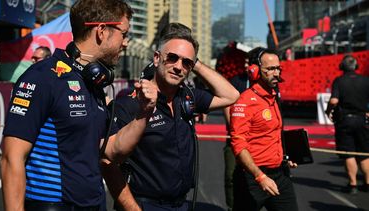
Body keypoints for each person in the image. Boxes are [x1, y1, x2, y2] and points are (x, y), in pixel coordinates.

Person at [1, 0, 158, 210]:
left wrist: (144, 114)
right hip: (53, 205)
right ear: (102, 31)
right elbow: (12, 158)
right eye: (124, 33)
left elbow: (111, 150)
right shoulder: (42, 77)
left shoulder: (93, 81)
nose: (126, 42)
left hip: (93, 203)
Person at [104, 22, 240, 211]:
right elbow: (108, 163)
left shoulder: (187, 97)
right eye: (173, 58)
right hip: (144, 204)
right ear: (157, 58)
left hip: (181, 203)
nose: (178, 67)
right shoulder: (129, 105)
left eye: (186, 63)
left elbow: (231, 96)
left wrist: (195, 62)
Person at [229, 47, 298, 211]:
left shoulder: (274, 97)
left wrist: (285, 156)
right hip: (252, 178)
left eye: (278, 68)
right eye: (270, 69)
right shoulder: (244, 101)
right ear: (255, 71)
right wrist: (260, 177)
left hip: (280, 174)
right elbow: (238, 143)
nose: (276, 73)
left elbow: (273, 134)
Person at [325, 55, 369, 194]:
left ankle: (353, 184)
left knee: (348, 153)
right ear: (356, 67)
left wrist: (328, 112)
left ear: (342, 67)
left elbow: (333, 101)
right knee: (364, 153)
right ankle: (367, 183)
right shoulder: (365, 80)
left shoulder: (339, 81)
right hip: (362, 120)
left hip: (345, 120)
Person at [215, 41, 249, 211]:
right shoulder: (235, 81)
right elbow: (228, 105)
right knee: (231, 175)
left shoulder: (257, 84)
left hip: (255, 138)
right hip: (236, 136)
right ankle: (232, 206)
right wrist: (234, 129)